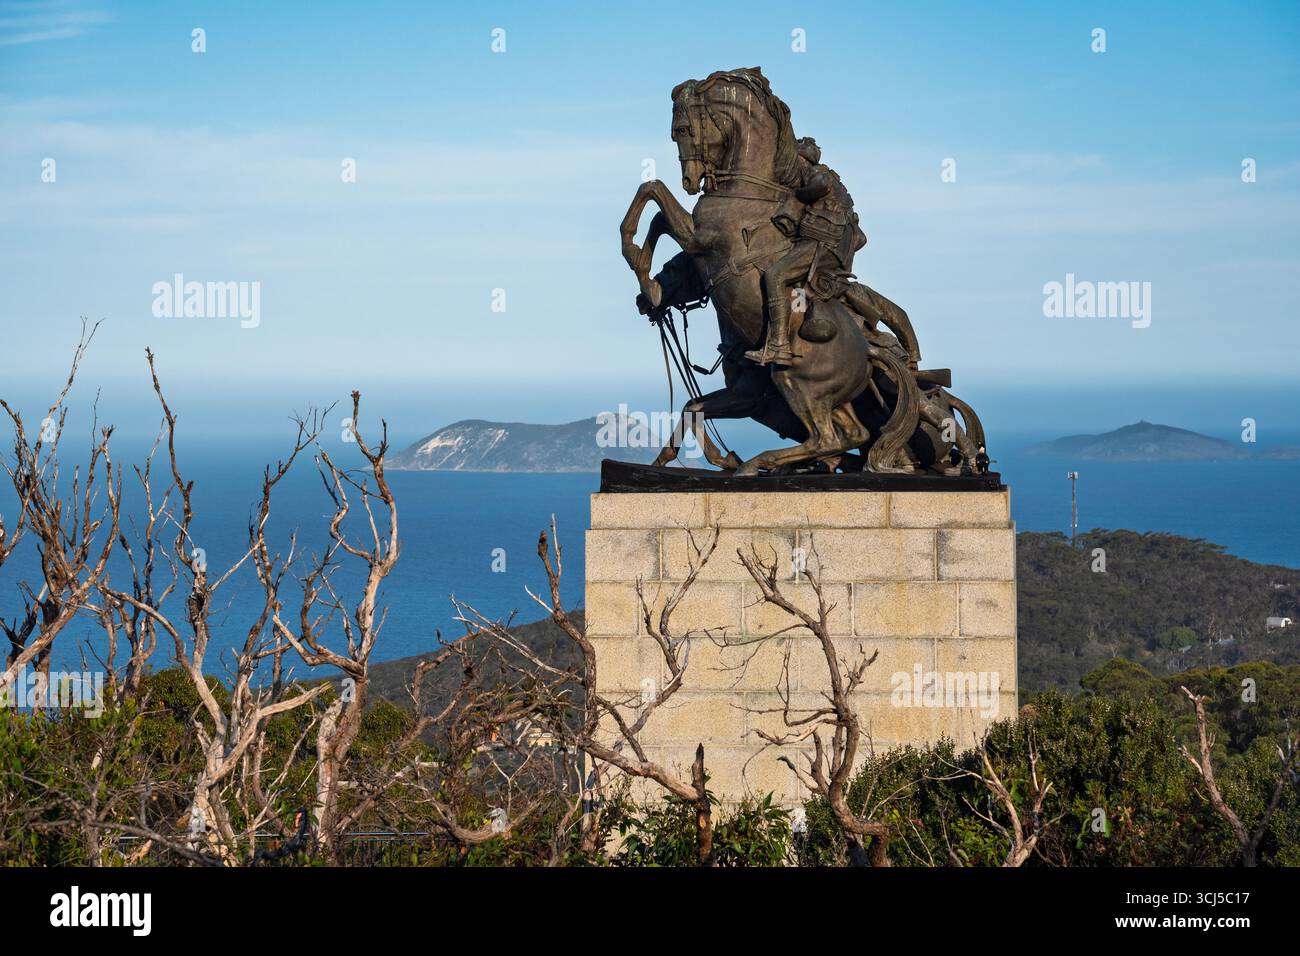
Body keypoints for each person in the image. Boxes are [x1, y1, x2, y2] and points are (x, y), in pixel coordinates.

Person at [745, 137, 864, 365]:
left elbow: (818, 185)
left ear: (802, 159)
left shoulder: (818, 172)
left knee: (775, 275)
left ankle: (778, 346)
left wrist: (797, 196)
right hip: (829, 249)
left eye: (796, 160)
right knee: (795, 285)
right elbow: (861, 239)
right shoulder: (840, 189)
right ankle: (796, 330)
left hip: (820, 244)